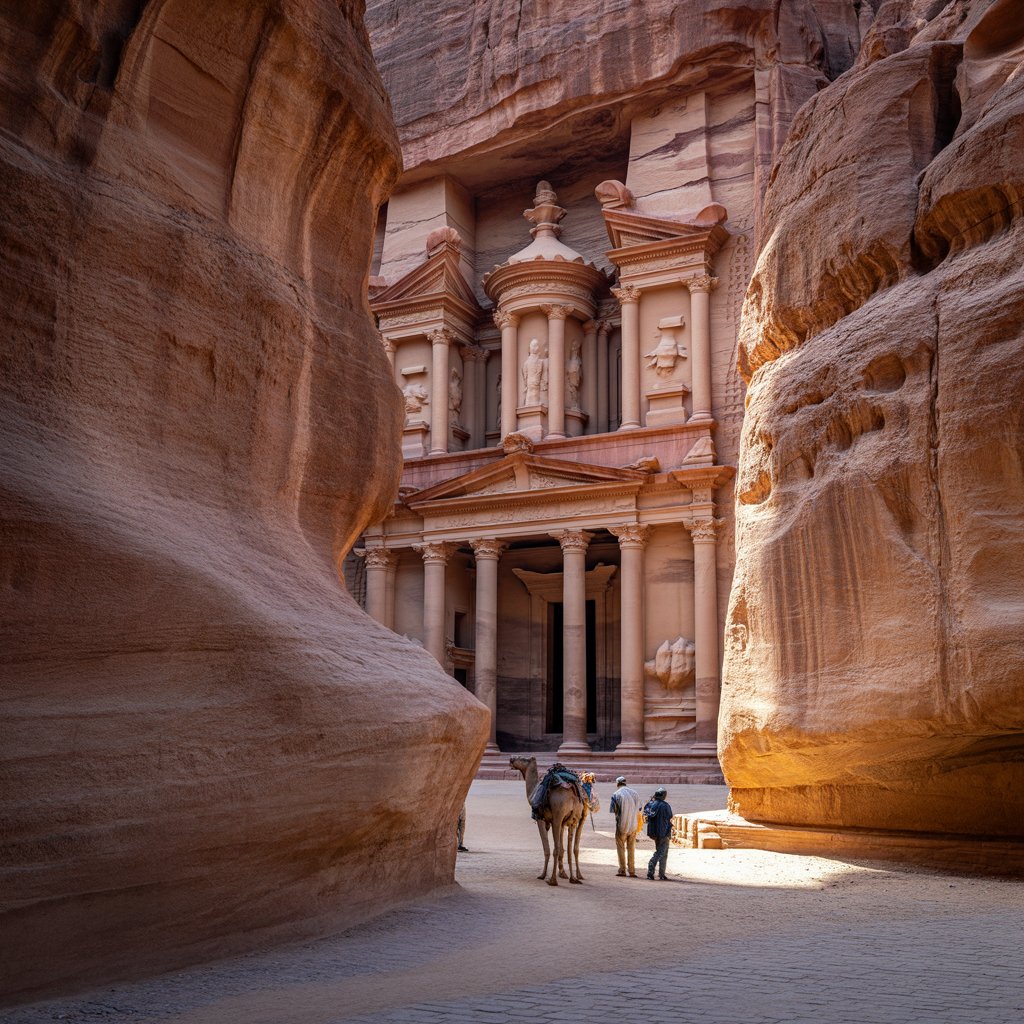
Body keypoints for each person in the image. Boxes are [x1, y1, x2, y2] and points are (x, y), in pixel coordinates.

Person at [609, 775, 642, 877]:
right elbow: (640, 809)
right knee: (631, 848)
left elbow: (613, 810)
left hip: (622, 825)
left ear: (617, 784)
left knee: (620, 847)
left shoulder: (616, 794)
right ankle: (632, 871)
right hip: (633, 825)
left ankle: (622, 870)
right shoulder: (635, 793)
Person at [643, 787, 673, 880]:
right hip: (663, 832)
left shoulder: (650, 804)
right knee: (661, 852)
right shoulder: (665, 806)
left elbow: (646, 815)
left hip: (653, 832)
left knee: (661, 851)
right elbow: (669, 817)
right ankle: (651, 872)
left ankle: (661, 874)